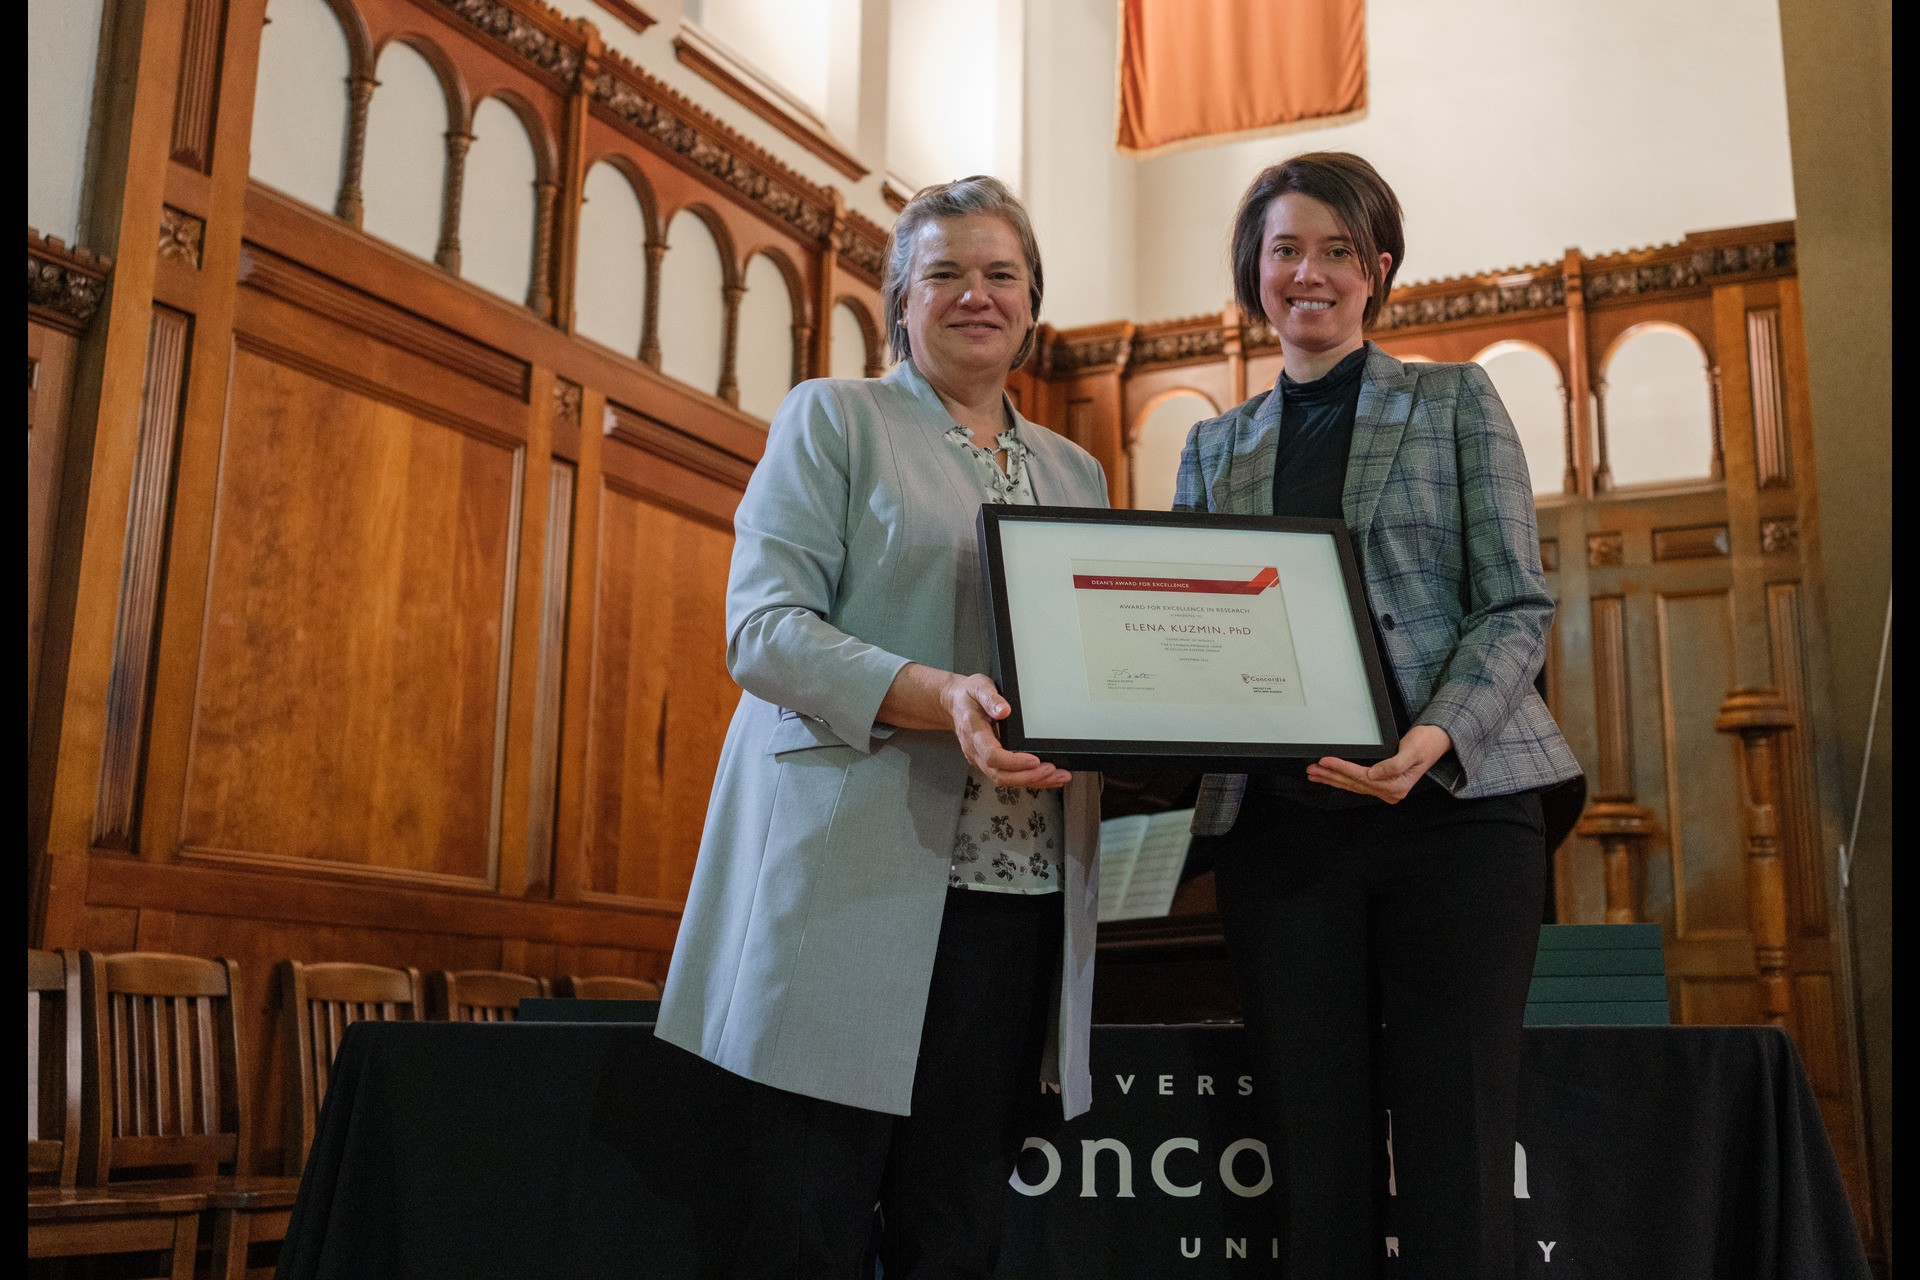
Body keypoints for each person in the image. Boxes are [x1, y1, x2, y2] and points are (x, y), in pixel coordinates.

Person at [657, 175, 1109, 1279]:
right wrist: (934, 691)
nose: (975, 295)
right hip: (855, 871)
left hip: (1018, 892)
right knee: (801, 1220)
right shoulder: (835, 418)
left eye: (1001, 273)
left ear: (1032, 301)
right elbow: (761, 630)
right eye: (945, 272)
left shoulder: (1079, 470)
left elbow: (1103, 656)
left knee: (953, 1224)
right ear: (901, 298)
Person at [1172, 152, 1581, 1279]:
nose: (1310, 272)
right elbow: (1191, 642)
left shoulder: (1453, 399)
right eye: (1284, 249)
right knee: (1313, 1150)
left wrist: (1431, 737)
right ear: (1255, 275)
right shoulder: (1213, 445)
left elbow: (1513, 601)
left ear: (1378, 268)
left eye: (1337, 250)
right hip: (1284, 830)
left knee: (1456, 1147)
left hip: (1453, 810)